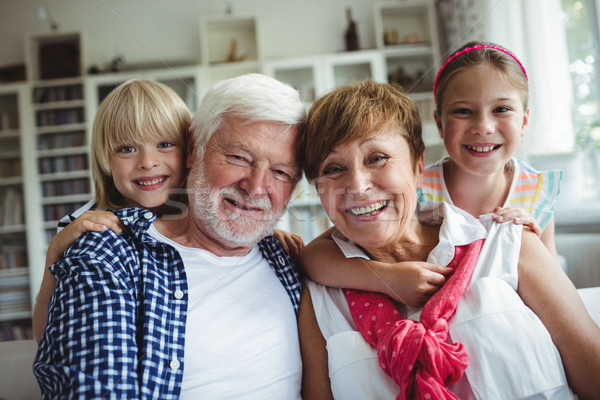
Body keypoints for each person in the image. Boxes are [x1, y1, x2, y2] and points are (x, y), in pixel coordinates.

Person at [298, 80, 600, 399]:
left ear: (418, 166)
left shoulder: (508, 244)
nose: (357, 186)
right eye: (333, 169)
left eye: (377, 158)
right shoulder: (318, 297)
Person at [33, 73, 306, 399]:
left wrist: (259, 230)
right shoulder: (99, 238)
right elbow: (52, 343)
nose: (149, 163)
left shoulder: (283, 255)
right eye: (238, 157)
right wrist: (54, 257)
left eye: (281, 171)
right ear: (195, 149)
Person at [299, 41, 561, 306]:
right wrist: (385, 277)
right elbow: (315, 254)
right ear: (439, 123)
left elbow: (554, 285)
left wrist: (524, 240)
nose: (483, 126)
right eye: (463, 111)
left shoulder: (537, 191)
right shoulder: (420, 186)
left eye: (501, 109)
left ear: (525, 120)